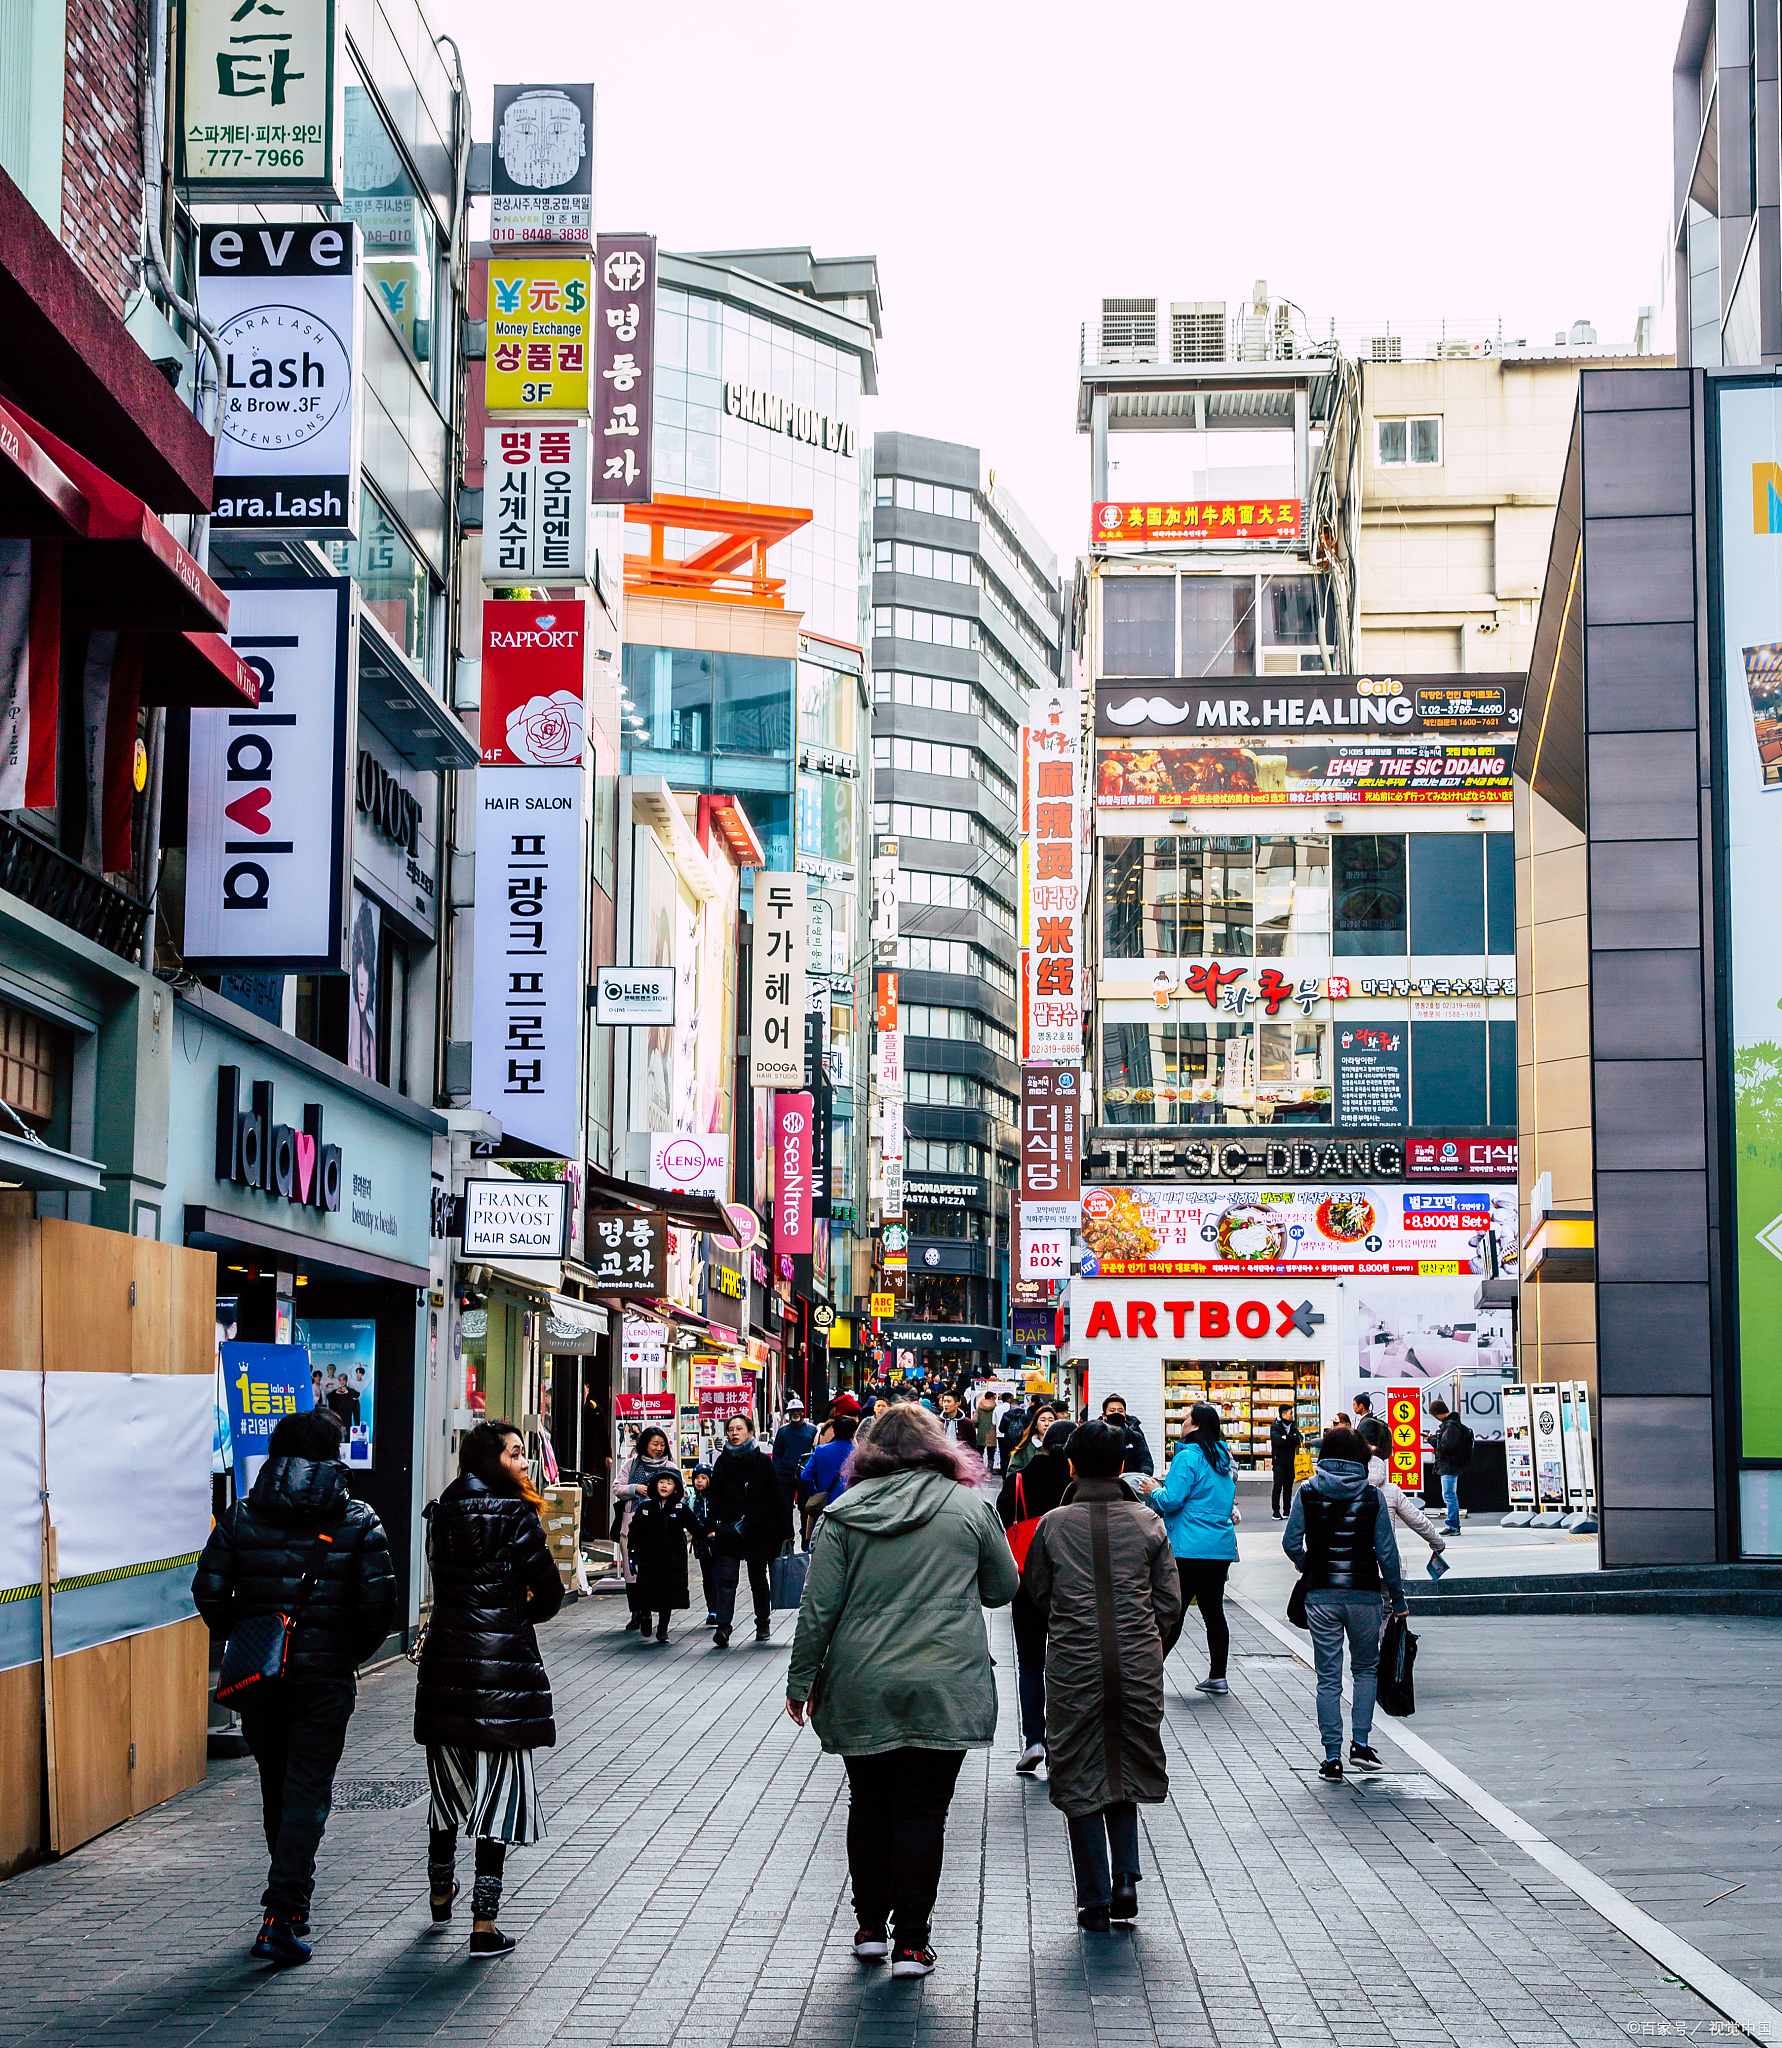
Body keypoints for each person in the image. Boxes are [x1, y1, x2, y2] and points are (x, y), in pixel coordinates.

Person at [786, 1403, 1019, 1979]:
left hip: (861, 1680)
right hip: (946, 1680)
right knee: (923, 1811)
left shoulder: (841, 1514)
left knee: (868, 1803)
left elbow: (819, 1609)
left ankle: (869, 1928)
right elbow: (1002, 1589)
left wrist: (800, 1681)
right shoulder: (968, 1508)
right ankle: (912, 1942)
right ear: (938, 1447)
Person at [192, 1407, 395, 1965]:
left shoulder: (242, 1515)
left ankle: (287, 1905)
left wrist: (252, 1634)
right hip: (324, 1678)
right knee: (307, 1789)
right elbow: (379, 1607)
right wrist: (344, 1652)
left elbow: (209, 1593)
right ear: (334, 1452)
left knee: (276, 1785)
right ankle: (282, 1913)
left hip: (261, 1677)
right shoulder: (357, 1518)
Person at [1020, 1421, 1182, 1932]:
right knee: (1126, 1763)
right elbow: (1169, 1604)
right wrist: (1150, 1649)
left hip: (1074, 1665)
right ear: (1120, 1467)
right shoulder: (1149, 1523)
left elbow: (1038, 1592)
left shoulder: (1053, 1525)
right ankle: (1126, 1876)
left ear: (1070, 1465)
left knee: (1078, 1773)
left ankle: (1093, 1898)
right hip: (1135, 1663)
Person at [414, 1419, 564, 1959]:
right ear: (491, 1461)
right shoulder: (515, 1512)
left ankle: (438, 1888)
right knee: (498, 1797)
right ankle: (483, 1923)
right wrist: (512, 1611)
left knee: (448, 1789)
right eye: (516, 1454)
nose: (524, 1463)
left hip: (447, 1668)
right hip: (503, 1674)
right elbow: (549, 1593)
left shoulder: (444, 1511)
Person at [1282, 1426, 1408, 1781]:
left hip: (1321, 1595)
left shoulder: (1306, 1491)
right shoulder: (1373, 1496)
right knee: (1365, 1669)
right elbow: (1387, 1553)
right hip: (1365, 1594)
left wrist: (1311, 1564)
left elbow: (1291, 1542)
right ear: (1361, 1459)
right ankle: (1361, 1744)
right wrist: (1398, 1601)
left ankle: (1331, 1757)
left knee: (1328, 1676)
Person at [1137, 1402, 1236, 1696]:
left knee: (1172, 1613)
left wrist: (1153, 1489)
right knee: (1213, 1611)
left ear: (1195, 1426)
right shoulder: (1223, 1458)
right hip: (1219, 1546)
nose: (1182, 1424)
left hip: (1188, 1547)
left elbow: (1171, 1500)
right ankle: (1218, 1675)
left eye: (1186, 1419)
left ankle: (1149, 1675)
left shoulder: (1188, 1457)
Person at [997, 1417, 1073, 1772]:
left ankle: (1034, 1740)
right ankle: (1062, 1741)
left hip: (1027, 1582)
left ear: (1042, 1442)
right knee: (1067, 1664)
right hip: (1071, 1585)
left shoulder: (1019, 1480)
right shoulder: (1077, 1484)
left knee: (1030, 1664)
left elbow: (1002, 1522)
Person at [707, 1412, 790, 1646]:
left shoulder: (763, 1461)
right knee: (726, 1578)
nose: (734, 1434)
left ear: (750, 1432)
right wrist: (710, 1526)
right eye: (730, 1430)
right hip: (729, 1529)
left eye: (739, 1429)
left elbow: (777, 1496)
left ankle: (762, 1622)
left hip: (759, 1529)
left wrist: (786, 1531)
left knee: (758, 1579)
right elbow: (715, 1497)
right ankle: (723, 1626)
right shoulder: (722, 1462)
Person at [624, 1468, 708, 1643]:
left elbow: (696, 1528)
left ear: (675, 1488)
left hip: (673, 1559)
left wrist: (712, 1532)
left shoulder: (680, 1508)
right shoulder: (645, 1507)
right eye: (662, 1482)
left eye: (669, 1483)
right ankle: (645, 1617)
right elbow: (635, 1531)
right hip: (649, 1558)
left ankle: (663, 1629)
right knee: (646, 1591)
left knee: (668, 1595)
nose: (665, 1486)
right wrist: (633, 1552)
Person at [612, 1425, 678, 1634]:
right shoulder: (631, 1465)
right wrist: (635, 1489)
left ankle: (655, 1613)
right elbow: (616, 1487)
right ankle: (637, 1612)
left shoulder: (670, 1466)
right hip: (632, 1526)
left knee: (658, 1572)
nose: (658, 1448)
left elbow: (681, 1494)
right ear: (645, 1445)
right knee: (632, 1571)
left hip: (661, 1529)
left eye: (662, 1444)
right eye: (654, 1444)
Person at [1366, 1445, 1447, 1575]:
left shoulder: (1343, 1488)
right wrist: (1438, 1543)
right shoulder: (1391, 1491)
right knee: (1386, 1594)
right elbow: (1417, 1520)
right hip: (1385, 1566)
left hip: (1348, 1570)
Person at [799, 1392, 860, 1542]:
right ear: (853, 1433)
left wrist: (815, 1493)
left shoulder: (821, 1451)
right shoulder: (859, 1454)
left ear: (834, 1430)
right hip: (851, 1508)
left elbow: (805, 1476)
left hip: (825, 1508)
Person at [1427, 1398, 1474, 1535]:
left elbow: (1444, 1446)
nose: (1435, 1418)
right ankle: (1453, 1525)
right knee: (1449, 1494)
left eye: (1435, 1415)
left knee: (1449, 1495)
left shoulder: (1451, 1426)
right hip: (1451, 1464)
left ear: (1439, 1413)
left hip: (1449, 1465)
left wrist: (1431, 1439)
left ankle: (1452, 1526)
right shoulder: (1453, 1425)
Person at [771, 1398, 817, 1517]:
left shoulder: (812, 1430)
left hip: (805, 1475)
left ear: (802, 1412)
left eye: (797, 1411)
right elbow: (776, 1453)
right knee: (785, 1507)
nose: (794, 1413)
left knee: (805, 1507)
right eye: (792, 1411)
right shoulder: (783, 1431)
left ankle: (805, 1534)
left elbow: (816, 1451)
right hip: (786, 1475)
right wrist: (778, 1471)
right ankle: (788, 1535)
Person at [687, 1465, 720, 1622]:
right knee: (707, 1577)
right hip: (701, 1544)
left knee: (718, 1575)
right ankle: (712, 1609)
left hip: (718, 1542)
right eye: (697, 1478)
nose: (699, 1482)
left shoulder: (716, 1497)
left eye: (704, 1478)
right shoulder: (693, 1500)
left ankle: (720, 1608)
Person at [1099, 1394, 1156, 1477]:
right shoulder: (1096, 1436)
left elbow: (1145, 1459)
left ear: (1125, 1415)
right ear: (1104, 1415)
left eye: (1120, 1411)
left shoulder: (1135, 1437)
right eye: (1112, 1411)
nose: (1116, 1413)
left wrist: (1144, 1474)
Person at [1268, 1403, 1302, 1519]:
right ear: (1283, 1414)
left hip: (1291, 1461)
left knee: (1288, 1487)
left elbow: (1298, 1439)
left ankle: (1287, 1511)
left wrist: (1286, 1437)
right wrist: (1288, 1439)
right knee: (1277, 1486)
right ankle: (1276, 1512)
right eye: (1290, 1413)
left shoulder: (1292, 1425)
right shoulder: (1276, 1426)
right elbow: (1277, 1441)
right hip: (1279, 1461)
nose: (1292, 1415)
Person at [1006, 1402, 1058, 1474]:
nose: (1047, 1424)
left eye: (1051, 1420)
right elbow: (1012, 1473)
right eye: (1043, 1420)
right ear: (1035, 1424)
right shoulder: (1024, 1448)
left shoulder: (1062, 1447)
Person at [1350, 1392, 1391, 1461]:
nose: (1353, 1407)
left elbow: (1363, 1443)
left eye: (1354, 1405)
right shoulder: (1370, 1420)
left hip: (1369, 1460)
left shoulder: (1367, 1423)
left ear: (1361, 1406)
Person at [975, 1389, 999, 1472]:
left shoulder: (979, 1408)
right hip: (992, 1433)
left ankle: (979, 1470)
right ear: (992, 1398)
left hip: (981, 1433)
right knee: (991, 1454)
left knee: (980, 1453)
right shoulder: (995, 1408)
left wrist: (979, 1427)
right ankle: (989, 1471)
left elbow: (975, 1420)